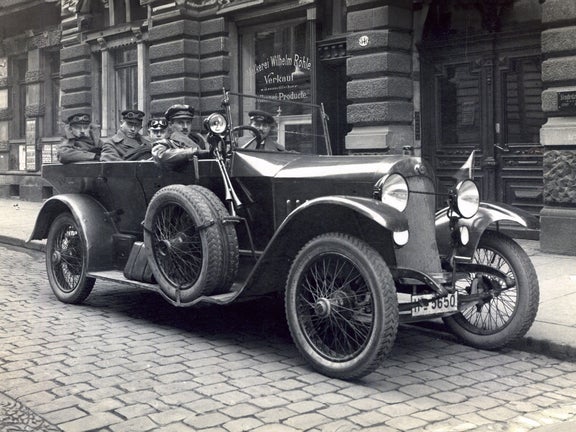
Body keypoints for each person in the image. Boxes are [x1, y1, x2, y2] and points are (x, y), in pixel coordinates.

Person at [152, 104, 210, 169]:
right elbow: (161, 156)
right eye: (180, 123)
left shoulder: (200, 140)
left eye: (188, 123)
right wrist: (195, 152)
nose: (185, 127)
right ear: (170, 125)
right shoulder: (164, 143)